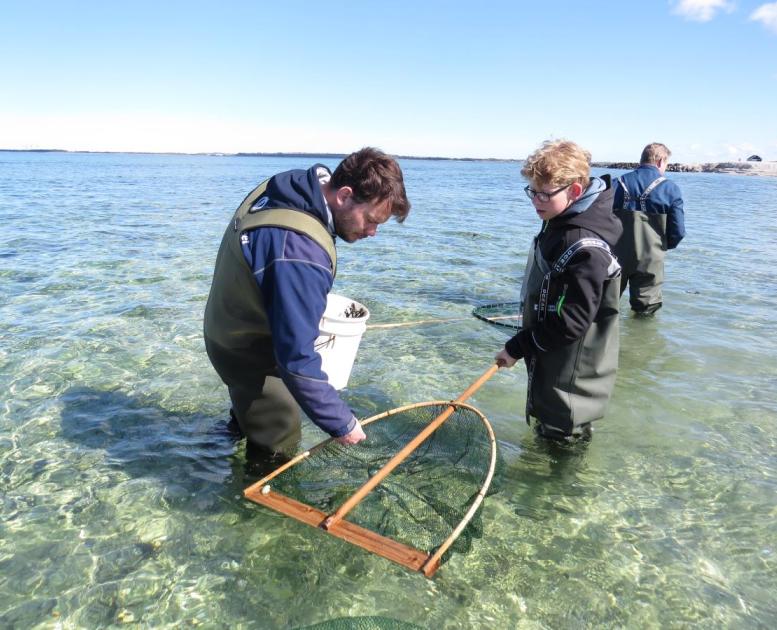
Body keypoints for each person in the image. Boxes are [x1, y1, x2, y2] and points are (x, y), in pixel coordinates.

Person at [203, 147, 411, 461]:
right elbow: (296, 359)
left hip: (227, 324)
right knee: (280, 441)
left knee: (251, 413)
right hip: (244, 348)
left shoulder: (293, 187)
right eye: (370, 219)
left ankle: (223, 443)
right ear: (343, 195)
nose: (373, 232)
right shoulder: (300, 251)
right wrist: (341, 422)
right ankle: (253, 502)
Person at [495, 140, 623, 441]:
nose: (535, 201)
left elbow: (572, 322)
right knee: (548, 433)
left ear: (575, 192)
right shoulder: (559, 221)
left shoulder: (585, 248)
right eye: (532, 191)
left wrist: (516, 347)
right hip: (552, 364)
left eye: (544, 194)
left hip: (571, 383)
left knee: (564, 441)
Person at [613, 142, 685, 315]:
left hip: (614, 256)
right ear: (660, 161)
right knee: (646, 310)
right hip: (650, 259)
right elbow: (678, 232)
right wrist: (661, 247)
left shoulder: (616, 183)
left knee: (606, 305)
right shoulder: (670, 189)